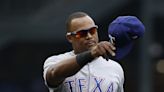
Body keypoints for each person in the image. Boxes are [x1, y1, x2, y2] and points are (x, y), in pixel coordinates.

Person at [43, 11, 124, 92]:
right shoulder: (56, 61)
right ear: (70, 38)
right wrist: (91, 54)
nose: (89, 36)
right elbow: (53, 75)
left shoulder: (115, 68)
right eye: (82, 33)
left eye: (92, 31)